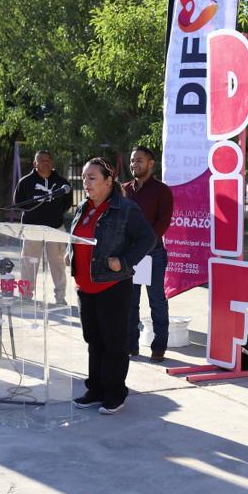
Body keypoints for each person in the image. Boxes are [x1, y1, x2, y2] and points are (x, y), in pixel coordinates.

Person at [70, 158, 156, 415]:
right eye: (84, 178)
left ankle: (115, 393)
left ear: (109, 181)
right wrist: (69, 253)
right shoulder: (83, 207)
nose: (86, 183)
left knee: (113, 342)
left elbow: (148, 239)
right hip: (85, 286)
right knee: (93, 340)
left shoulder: (125, 208)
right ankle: (95, 389)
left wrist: (126, 261)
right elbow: (76, 236)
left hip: (111, 286)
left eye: (92, 178)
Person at [121, 146, 174, 361]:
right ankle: (130, 345)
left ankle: (159, 346)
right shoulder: (123, 190)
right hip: (129, 256)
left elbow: (163, 223)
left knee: (157, 301)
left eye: (139, 160)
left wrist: (142, 246)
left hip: (153, 255)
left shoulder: (162, 191)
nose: (134, 164)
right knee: (130, 302)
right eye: (133, 160)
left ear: (151, 164)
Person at [13, 150, 73, 305]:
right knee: (28, 263)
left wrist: (53, 213)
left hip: (55, 228)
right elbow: (19, 202)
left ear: (52, 163)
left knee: (58, 264)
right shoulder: (25, 182)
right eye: (41, 160)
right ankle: (25, 296)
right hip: (32, 229)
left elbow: (67, 203)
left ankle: (60, 298)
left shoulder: (62, 182)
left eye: (48, 160)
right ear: (35, 164)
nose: (45, 163)